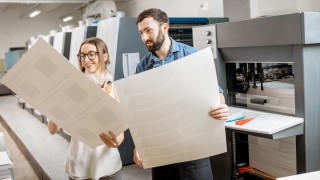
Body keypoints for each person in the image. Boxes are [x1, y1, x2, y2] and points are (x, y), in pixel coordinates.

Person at [133, 8, 229, 180]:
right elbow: (142, 113)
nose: (144, 38)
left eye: (149, 30)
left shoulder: (192, 56)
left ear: (164, 27)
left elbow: (217, 94)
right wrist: (139, 144)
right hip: (162, 150)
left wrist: (220, 106)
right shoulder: (142, 67)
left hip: (193, 147)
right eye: (141, 32)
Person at [48, 37, 124, 180]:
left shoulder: (111, 83)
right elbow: (53, 129)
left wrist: (116, 142)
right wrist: (56, 103)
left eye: (91, 54)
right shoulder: (71, 85)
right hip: (81, 164)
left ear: (104, 55)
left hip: (108, 163)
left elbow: (120, 128)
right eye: (82, 56)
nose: (85, 60)